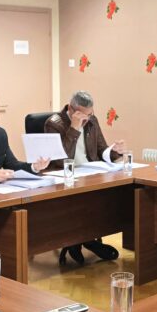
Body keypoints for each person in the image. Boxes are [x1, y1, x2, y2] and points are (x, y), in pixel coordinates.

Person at [45, 91, 126, 265]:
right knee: (80, 201)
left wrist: (115, 152)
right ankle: (78, 239)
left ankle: (86, 238)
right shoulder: (54, 124)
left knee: (111, 197)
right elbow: (60, 160)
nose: (87, 119)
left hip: (90, 175)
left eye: (90, 114)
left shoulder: (92, 121)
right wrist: (74, 128)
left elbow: (101, 150)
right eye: (83, 115)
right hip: (65, 178)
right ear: (71, 109)